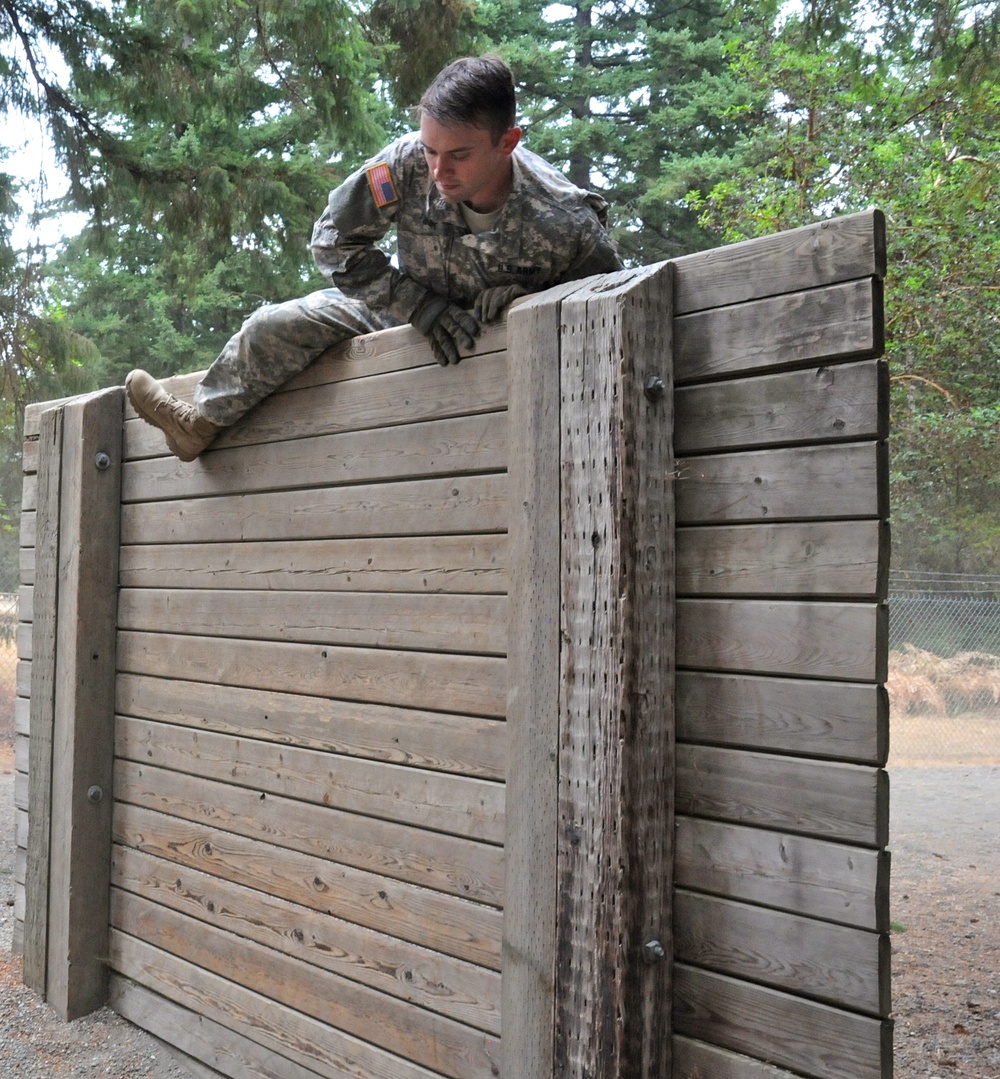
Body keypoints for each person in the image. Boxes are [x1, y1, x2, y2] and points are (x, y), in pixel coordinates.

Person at [126, 54, 623, 461]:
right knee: (270, 325)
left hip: (502, 357)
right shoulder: (405, 165)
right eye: (431, 150)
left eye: (459, 155)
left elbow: (608, 303)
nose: (437, 172)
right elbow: (331, 241)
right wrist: (418, 305)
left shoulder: (564, 218)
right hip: (405, 316)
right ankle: (200, 424)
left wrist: (535, 301)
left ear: (508, 142)